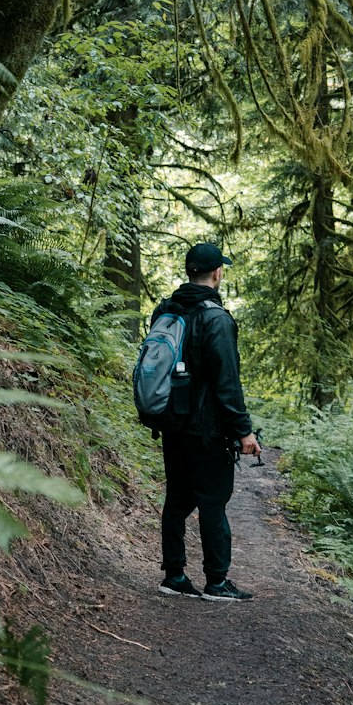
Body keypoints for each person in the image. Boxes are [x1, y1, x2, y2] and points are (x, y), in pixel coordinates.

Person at [151, 242, 261, 602]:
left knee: (177, 499)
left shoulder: (165, 311)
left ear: (189, 272)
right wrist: (243, 430)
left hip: (171, 422)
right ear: (217, 273)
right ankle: (216, 582)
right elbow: (226, 383)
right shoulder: (216, 319)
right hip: (207, 429)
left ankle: (174, 575)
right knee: (213, 501)